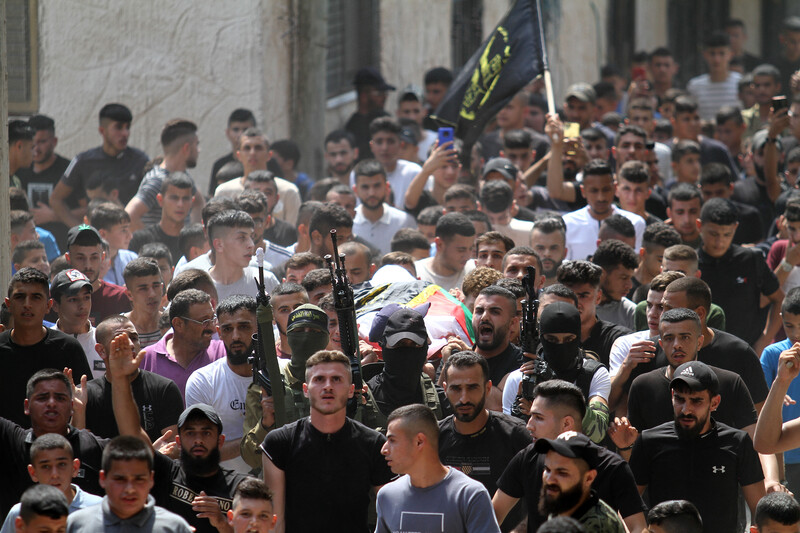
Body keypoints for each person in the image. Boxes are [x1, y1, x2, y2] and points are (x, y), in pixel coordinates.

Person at [260, 350, 395, 532]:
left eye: (337, 379)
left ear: (350, 390)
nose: (328, 386)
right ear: (306, 390)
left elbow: (391, 514)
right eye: (319, 379)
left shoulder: (373, 443)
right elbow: (275, 521)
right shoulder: (279, 443)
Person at [629, 361, 766, 533]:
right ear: (672, 395)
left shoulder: (737, 442)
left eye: (696, 401)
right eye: (680, 399)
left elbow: (760, 510)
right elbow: (628, 503)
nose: (686, 409)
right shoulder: (649, 442)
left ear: (714, 403)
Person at [494, 380, 646, 533]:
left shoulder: (612, 467)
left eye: (538, 417)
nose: (529, 425)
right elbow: (492, 515)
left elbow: (638, 528)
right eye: (547, 469)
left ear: (567, 423)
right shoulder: (529, 456)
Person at [625, 309, 759, 435]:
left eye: (685, 337)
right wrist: (625, 446)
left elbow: (754, 440)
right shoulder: (643, 386)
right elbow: (634, 452)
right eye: (669, 338)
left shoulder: (730, 383)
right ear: (661, 344)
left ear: (699, 342)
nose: (677, 345)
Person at [437, 351, 531, 532]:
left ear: (488, 388)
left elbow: (540, 495)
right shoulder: (435, 437)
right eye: (456, 389)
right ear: (445, 388)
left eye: (472, 387)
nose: (464, 398)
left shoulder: (516, 435)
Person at [376, 404, 501, 533]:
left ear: (419, 441)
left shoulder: (470, 495)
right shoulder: (386, 496)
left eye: (392, 440)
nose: (384, 450)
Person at [0, 369, 106, 517]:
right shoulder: (11, 443)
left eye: (60, 398)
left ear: (72, 407)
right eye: (42, 398)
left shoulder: (95, 448)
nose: (51, 403)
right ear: (26, 406)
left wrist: (120, 380)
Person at [0, 268, 91, 427]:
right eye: (20, 297)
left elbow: (85, 406)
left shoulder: (68, 348)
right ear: (9, 304)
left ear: (48, 305)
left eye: (36, 297)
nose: (27, 304)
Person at [697, 198, 783, 354]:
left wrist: (764, 340)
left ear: (735, 228)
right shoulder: (691, 265)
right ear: (699, 226)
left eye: (726, 234)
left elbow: (778, 299)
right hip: (702, 354)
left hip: (745, 353)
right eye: (713, 233)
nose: (719, 241)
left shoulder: (751, 259)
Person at [185, 295, 258, 474]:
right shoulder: (203, 381)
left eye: (244, 327)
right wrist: (262, 434)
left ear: (261, 327)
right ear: (218, 330)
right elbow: (201, 452)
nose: (235, 336)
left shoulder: (282, 373)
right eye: (227, 329)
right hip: (223, 491)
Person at [65, 436, 193, 533]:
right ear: (103, 478)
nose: (130, 489)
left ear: (151, 479)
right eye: (120, 480)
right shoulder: (77, 524)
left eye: (139, 479)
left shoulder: (174, 527)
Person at [86, 315, 182, 443]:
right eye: (121, 340)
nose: (131, 345)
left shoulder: (164, 388)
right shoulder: (86, 395)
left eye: (134, 338)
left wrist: (153, 456)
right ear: (101, 350)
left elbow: (172, 448)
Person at [50, 104, 149, 228]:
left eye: (127, 127)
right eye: (118, 127)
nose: (125, 133)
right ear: (102, 130)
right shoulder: (83, 160)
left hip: (128, 238)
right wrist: (82, 229)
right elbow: (56, 199)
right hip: (94, 242)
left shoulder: (140, 160)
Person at [0, 434, 102, 533]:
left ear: (75, 468)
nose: (54, 474)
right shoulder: (20, 512)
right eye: (46, 466)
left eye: (61, 464)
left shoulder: (99, 509)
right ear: (33, 472)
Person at [366, 306, 449, 425]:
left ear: (426, 346)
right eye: (399, 345)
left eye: (415, 345)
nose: (407, 353)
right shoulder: (364, 400)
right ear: (383, 345)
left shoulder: (440, 400)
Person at [140, 289, 226, 401]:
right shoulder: (148, 359)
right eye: (204, 321)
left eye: (212, 319)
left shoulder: (222, 352)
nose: (212, 328)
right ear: (178, 324)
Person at [531, 432, 627, 532]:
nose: (549, 480)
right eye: (547, 469)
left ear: (589, 478)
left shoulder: (598, 527)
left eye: (562, 473)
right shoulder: (561, 502)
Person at [126, 119, 204, 232]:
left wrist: (193, 238)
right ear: (186, 148)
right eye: (196, 145)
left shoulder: (184, 176)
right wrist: (154, 241)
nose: (199, 150)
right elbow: (129, 216)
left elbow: (199, 202)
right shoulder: (158, 180)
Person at [212, 128, 300, 226]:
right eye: (247, 148)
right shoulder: (224, 192)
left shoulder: (288, 191)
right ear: (238, 155)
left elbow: (293, 234)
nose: (252, 153)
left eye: (258, 148)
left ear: (269, 155)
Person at [556, 261, 631, 367]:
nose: (576, 303)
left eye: (583, 296)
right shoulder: (547, 337)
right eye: (569, 296)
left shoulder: (619, 340)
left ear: (598, 297)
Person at [17, 115, 72, 248]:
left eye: (42, 142)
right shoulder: (19, 170)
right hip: (25, 248)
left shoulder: (68, 170)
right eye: (32, 143)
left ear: (54, 141)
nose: (36, 149)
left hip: (62, 247)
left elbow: (85, 211)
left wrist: (55, 215)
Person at [206, 210, 278, 303]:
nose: (251, 245)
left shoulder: (266, 281)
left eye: (251, 237)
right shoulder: (200, 287)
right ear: (219, 244)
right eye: (241, 238)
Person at [64, 224, 131, 324]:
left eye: (94, 257)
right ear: (68, 258)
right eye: (80, 258)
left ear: (102, 257)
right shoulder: (56, 297)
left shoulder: (119, 297)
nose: (88, 265)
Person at [351, 159, 415, 255]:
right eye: (365, 187)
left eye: (377, 186)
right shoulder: (349, 224)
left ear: (387, 187)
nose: (371, 193)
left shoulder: (405, 221)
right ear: (355, 190)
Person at [129, 172, 194, 266]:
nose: (180, 204)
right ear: (160, 200)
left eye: (185, 198)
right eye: (174, 198)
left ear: (192, 201)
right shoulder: (140, 240)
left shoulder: (195, 242)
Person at [49, 269, 104, 379]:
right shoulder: (46, 342)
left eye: (86, 298)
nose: (82, 305)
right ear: (55, 305)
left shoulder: (103, 340)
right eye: (73, 299)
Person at [415, 212, 476, 291]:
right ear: (439, 244)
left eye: (471, 249)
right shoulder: (415, 274)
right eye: (461, 250)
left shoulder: (474, 273)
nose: (468, 256)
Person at [687, 32, 741, 120]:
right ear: (705, 55)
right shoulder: (694, 86)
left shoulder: (740, 83)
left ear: (730, 55)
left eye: (721, 53)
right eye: (712, 54)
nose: (717, 59)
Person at [345, 67, 394, 161]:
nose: (384, 97)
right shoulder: (353, 126)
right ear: (364, 96)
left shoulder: (386, 119)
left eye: (385, 93)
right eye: (379, 93)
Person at [592, 240, 638, 331]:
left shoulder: (631, 312)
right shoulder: (580, 307)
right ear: (602, 274)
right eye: (624, 278)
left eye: (630, 278)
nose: (629, 285)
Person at [209, 109, 257, 196]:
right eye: (236, 129)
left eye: (245, 129)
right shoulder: (220, 165)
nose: (240, 134)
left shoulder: (266, 162)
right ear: (228, 132)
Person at [89, 202, 136, 287]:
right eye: (123, 230)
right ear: (103, 234)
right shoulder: (89, 266)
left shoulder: (132, 258)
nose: (130, 236)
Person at [122, 258, 164, 348]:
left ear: (162, 287)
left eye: (156, 286)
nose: (152, 294)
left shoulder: (173, 326)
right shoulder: (118, 329)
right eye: (143, 288)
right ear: (129, 294)